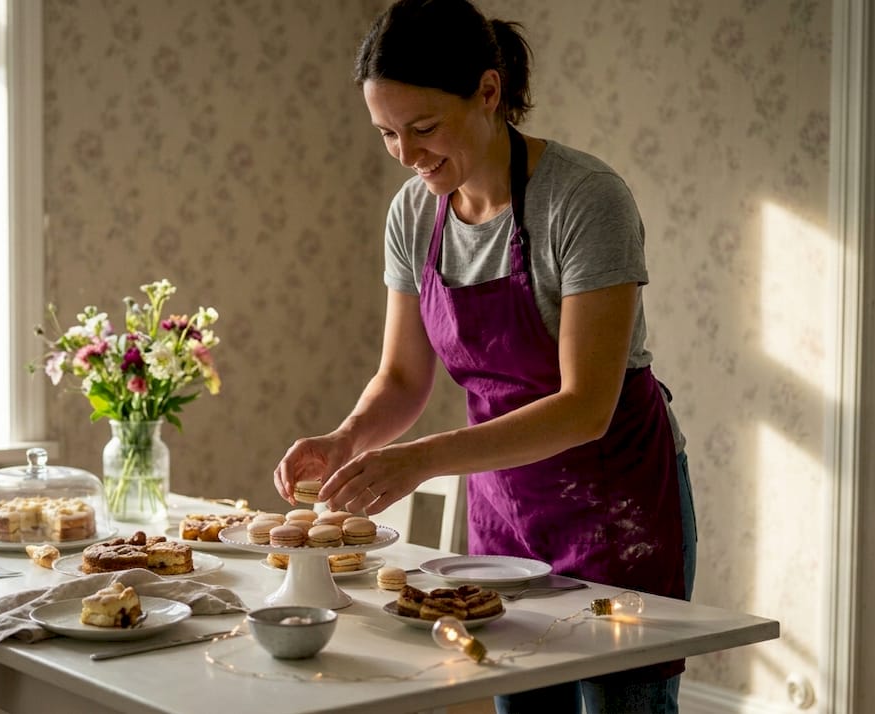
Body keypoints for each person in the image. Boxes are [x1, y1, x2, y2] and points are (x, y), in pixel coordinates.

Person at [271, 1, 698, 712]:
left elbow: (586, 406)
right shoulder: (414, 214)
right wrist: (347, 438)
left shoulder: (584, 201)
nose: (407, 155)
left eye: (424, 128)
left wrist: (422, 458)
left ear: (489, 93)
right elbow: (403, 378)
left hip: (617, 505)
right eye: (386, 134)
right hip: (504, 513)